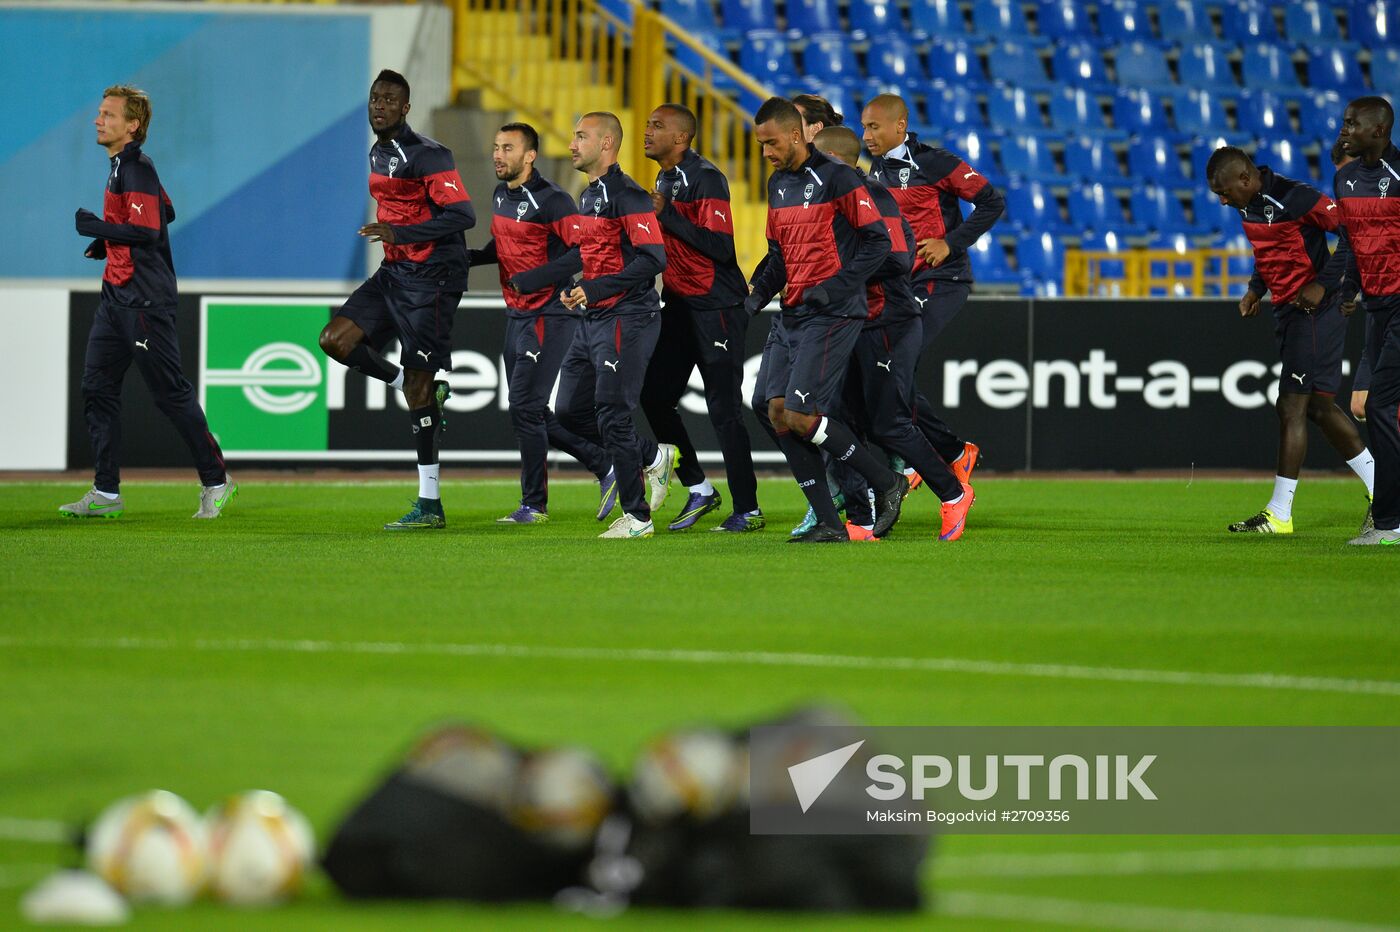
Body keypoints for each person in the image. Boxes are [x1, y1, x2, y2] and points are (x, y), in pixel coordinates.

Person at [63, 85, 234, 520]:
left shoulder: (136, 167)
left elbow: (151, 231)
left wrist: (96, 227)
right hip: (115, 297)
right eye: (100, 112)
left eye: (108, 114)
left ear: (132, 126)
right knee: (96, 388)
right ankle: (105, 493)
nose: (98, 119)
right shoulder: (123, 167)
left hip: (144, 301)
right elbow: (165, 213)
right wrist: (107, 242)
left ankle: (217, 480)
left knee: (170, 394)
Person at [317, 70, 475, 530]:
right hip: (394, 272)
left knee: (419, 393)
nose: (379, 106)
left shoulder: (429, 155)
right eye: (374, 98)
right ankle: (410, 383)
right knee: (334, 341)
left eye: (389, 100)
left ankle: (430, 505)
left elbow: (462, 214)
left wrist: (400, 233)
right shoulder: (378, 152)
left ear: (406, 107)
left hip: (433, 281)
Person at [746, 97, 906, 543]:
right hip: (793, 311)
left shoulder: (837, 178)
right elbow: (779, 255)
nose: (766, 153)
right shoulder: (778, 185)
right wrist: (755, 295)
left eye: (771, 143)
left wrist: (835, 287)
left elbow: (877, 244)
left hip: (835, 313)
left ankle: (884, 481)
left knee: (800, 415)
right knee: (776, 410)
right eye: (761, 145)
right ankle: (829, 523)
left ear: (796, 135)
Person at [813, 126, 974, 542]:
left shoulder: (874, 198)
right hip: (851, 323)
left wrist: (841, 277)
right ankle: (861, 521)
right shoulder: (826, 203)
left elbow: (898, 260)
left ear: (834, 161)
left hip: (888, 323)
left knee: (890, 424)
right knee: (840, 419)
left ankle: (954, 494)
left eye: (816, 158)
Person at [1205, 146, 1374, 534]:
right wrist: (1254, 288)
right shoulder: (1247, 204)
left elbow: (1353, 233)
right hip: (1289, 311)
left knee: (1291, 406)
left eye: (1225, 191)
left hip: (1316, 311)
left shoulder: (1296, 196)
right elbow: (1269, 252)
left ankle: (1280, 513)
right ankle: (1385, 489)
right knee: (1318, 408)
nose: (1222, 200)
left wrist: (1323, 283)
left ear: (1246, 179)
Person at [469, 122, 618, 525]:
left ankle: (534, 505)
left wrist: (534, 279)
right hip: (516, 314)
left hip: (549, 314)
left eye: (507, 148)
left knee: (525, 407)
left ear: (529, 156)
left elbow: (583, 253)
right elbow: (501, 247)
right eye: (496, 147)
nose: (498, 155)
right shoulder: (501, 195)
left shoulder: (553, 201)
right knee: (528, 410)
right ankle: (605, 464)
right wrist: (466, 259)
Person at [861, 93, 1004, 491]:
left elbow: (992, 202)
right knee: (886, 371)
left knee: (894, 368)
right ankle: (955, 452)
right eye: (864, 127)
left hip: (941, 282)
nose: (866, 135)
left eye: (874, 127)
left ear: (900, 126)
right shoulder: (875, 171)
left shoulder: (936, 162)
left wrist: (951, 243)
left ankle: (917, 461)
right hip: (901, 286)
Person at [640, 103, 763, 532]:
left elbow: (721, 248)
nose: (647, 130)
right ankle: (699, 488)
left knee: (724, 410)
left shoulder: (706, 177)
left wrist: (666, 214)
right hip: (678, 304)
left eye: (657, 126)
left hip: (717, 308)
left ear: (681, 137)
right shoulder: (665, 178)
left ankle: (747, 509)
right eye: (647, 124)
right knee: (653, 396)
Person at [557, 112, 676, 539]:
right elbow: (597, 257)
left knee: (611, 410)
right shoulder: (588, 197)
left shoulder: (628, 195)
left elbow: (652, 260)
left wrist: (599, 287)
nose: (572, 145)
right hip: (592, 317)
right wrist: (576, 287)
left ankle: (638, 517)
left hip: (629, 317)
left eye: (581, 137)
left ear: (607, 143)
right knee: (569, 410)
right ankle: (651, 455)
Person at [1321, 96, 1400, 545]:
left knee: (1379, 406)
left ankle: (1389, 523)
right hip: (1377, 307)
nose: (1344, 128)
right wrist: (1345, 289)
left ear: (1379, 130)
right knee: (1371, 405)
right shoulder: (1346, 178)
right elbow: (1350, 245)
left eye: (1352, 123)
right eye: (1344, 122)